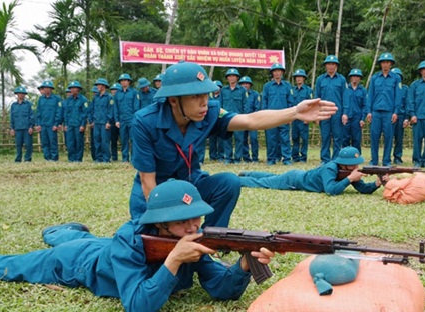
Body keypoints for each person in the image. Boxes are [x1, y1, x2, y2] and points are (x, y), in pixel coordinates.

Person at [0, 179, 276, 312]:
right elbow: (137, 307)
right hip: (76, 262)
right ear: (160, 224)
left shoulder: (188, 238)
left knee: (86, 239)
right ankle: (56, 233)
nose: (193, 228)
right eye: (182, 222)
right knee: (10, 266)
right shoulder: (132, 239)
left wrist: (243, 267)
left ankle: (63, 231)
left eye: (197, 218)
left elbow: (220, 289)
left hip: (105, 247)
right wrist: (173, 261)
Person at [130, 61, 337, 226]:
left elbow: (250, 120)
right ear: (174, 100)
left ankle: (212, 239)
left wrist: (295, 112)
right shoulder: (145, 122)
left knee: (229, 182)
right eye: (195, 96)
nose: (204, 102)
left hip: (190, 185)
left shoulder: (209, 112)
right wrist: (165, 223)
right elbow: (148, 181)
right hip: (156, 194)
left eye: (205, 94)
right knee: (151, 249)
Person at [239, 146, 386, 196]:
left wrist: (376, 184)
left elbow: (363, 189)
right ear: (343, 164)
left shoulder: (348, 172)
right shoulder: (330, 168)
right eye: (352, 164)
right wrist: (349, 179)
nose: (355, 167)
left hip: (296, 176)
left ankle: (248, 173)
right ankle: (238, 180)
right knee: (264, 183)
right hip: (294, 180)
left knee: (272, 177)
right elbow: (330, 190)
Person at [366, 52, 402, 166]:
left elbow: (398, 96)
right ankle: (374, 160)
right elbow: (370, 96)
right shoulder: (375, 78)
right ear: (380, 64)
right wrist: (368, 111)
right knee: (374, 137)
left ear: (391, 64)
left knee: (388, 137)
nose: (385, 65)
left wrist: (396, 112)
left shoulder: (396, 78)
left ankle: (386, 160)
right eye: (383, 62)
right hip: (376, 112)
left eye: (387, 62)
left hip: (389, 112)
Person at [314, 55, 349, 163]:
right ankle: (325, 159)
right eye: (328, 64)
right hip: (324, 112)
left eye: (333, 64)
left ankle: (336, 159)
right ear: (326, 66)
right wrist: (317, 113)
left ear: (336, 66)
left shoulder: (342, 80)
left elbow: (345, 97)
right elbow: (317, 98)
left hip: (337, 113)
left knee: (338, 137)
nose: (330, 66)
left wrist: (345, 113)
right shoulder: (320, 79)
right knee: (325, 136)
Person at [261, 63, 294, 165]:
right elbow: (264, 101)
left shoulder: (287, 86)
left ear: (282, 72)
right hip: (271, 117)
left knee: (285, 139)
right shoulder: (267, 86)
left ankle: (287, 159)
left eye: (279, 71)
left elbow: (291, 102)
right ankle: (271, 159)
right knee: (271, 139)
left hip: (284, 116)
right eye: (275, 71)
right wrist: (264, 116)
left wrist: (290, 116)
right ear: (272, 73)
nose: (277, 73)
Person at [220, 68, 248, 164]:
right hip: (226, 118)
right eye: (229, 76)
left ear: (237, 78)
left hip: (238, 118)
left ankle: (237, 158)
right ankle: (228, 158)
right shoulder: (223, 90)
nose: (231, 78)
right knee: (226, 139)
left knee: (239, 139)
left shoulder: (242, 90)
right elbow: (220, 104)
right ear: (227, 78)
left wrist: (245, 117)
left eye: (233, 76)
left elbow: (245, 105)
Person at [114, 73, 140, 162]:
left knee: (133, 139)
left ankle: (133, 158)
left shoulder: (134, 92)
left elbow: (136, 107)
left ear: (129, 82)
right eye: (122, 81)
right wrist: (116, 120)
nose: (123, 82)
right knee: (124, 140)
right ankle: (125, 158)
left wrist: (135, 119)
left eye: (125, 80)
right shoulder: (117, 94)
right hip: (122, 120)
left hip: (131, 119)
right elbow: (115, 108)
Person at [35, 80, 62, 161]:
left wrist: (56, 124)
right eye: (45, 88)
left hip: (52, 124)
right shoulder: (41, 99)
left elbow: (59, 111)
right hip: (43, 125)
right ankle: (47, 157)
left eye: (48, 88)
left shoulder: (57, 99)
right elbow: (38, 112)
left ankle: (54, 158)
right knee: (45, 142)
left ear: (51, 89)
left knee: (53, 142)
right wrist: (38, 124)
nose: (46, 89)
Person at [290, 69, 313, 162]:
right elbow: (290, 104)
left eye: (300, 77)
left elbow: (312, 104)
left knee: (304, 138)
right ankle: (295, 157)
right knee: (295, 137)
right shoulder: (291, 90)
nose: (298, 79)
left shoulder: (308, 90)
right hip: (295, 117)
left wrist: (308, 117)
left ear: (304, 78)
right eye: (297, 77)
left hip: (304, 117)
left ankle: (303, 157)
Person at [342, 69, 367, 154]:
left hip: (357, 118)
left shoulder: (363, 90)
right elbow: (342, 103)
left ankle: (356, 157)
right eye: (353, 76)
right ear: (350, 78)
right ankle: (344, 157)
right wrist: (343, 114)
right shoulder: (345, 89)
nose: (355, 78)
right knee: (345, 138)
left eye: (357, 76)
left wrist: (363, 118)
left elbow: (365, 105)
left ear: (360, 78)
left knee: (356, 139)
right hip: (346, 117)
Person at [89, 78, 114, 162]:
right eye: (97, 85)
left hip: (104, 123)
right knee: (97, 141)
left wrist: (108, 122)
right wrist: (91, 120)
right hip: (96, 123)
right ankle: (98, 158)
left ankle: (106, 158)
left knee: (105, 142)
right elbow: (92, 109)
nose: (98, 87)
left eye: (99, 85)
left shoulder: (109, 97)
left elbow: (111, 110)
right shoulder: (95, 97)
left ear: (104, 86)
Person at [63, 81, 88, 162]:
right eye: (71, 88)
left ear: (78, 89)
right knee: (70, 143)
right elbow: (66, 113)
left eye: (75, 88)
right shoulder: (68, 100)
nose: (73, 90)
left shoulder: (83, 100)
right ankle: (71, 158)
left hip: (78, 125)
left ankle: (78, 159)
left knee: (79, 142)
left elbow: (85, 113)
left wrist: (82, 125)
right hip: (70, 124)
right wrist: (66, 124)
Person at [239, 76, 261, 162]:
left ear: (250, 85)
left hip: (253, 120)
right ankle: (246, 157)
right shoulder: (239, 94)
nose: (245, 85)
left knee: (254, 138)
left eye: (247, 83)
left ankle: (255, 157)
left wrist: (254, 117)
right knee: (243, 139)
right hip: (242, 119)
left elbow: (258, 107)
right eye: (243, 83)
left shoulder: (255, 94)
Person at [9, 86, 34, 162]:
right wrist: (12, 128)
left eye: (23, 94)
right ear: (17, 94)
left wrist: (31, 126)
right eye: (19, 93)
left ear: (24, 95)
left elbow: (32, 116)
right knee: (18, 145)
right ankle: (18, 159)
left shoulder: (28, 104)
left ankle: (27, 159)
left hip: (26, 128)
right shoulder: (13, 105)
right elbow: (12, 117)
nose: (21, 95)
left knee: (28, 145)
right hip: (17, 128)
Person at [391, 67, 409, 164]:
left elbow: (407, 104)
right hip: (389, 115)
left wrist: (406, 118)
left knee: (399, 138)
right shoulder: (387, 87)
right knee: (388, 138)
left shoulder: (405, 89)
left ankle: (397, 157)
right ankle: (387, 157)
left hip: (401, 115)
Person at [109, 82, 122, 161]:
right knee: (113, 141)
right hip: (112, 123)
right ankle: (114, 157)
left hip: (121, 122)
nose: (114, 91)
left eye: (116, 90)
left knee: (123, 140)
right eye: (112, 90)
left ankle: (125, 156)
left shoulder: (121, 98)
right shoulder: (109, 99)